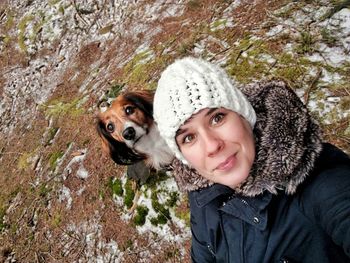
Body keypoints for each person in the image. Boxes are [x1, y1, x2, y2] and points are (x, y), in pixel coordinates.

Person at [153, 57, 350, 263]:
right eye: (189, 137)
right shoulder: (201, 194)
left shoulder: (321, 183)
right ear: (183, 156)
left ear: (244, 115)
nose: (212, 146)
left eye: (217, 118)